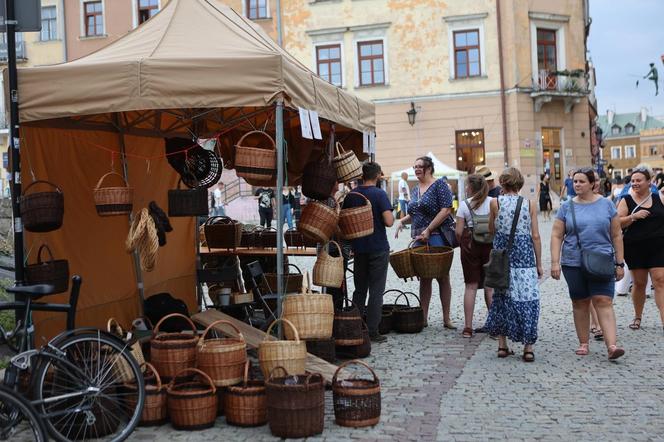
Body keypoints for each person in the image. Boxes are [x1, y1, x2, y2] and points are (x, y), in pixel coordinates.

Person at [551, 168, 626, 359]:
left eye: (581, 181)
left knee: (604, 301)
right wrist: (555, 262)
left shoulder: (607, 205)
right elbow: (557, 234)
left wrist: (619, 263)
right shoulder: (567, 207)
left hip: (602, 260)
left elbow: (616, 235)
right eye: (575, 181)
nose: (577, 185)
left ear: (593, 184)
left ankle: (612, 346)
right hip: (573, 262)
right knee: (580, 302)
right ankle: (583, 342)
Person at [485, 167, 542, 362]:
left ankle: (502, 346)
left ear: (502, 182)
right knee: (528, 299)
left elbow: (491, 230)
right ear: (520, 184)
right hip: (525, 258)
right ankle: (528, 348)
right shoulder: (529, 204)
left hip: (503, 258)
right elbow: (535, 235)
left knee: (501, 297)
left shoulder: (495, 202)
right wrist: (539, 264)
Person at [395, 156, 455, 328]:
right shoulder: (414, 189)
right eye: (414, 167)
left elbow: (446, 210)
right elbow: (415, 213)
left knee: (443, 277)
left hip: (437, 235)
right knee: (424, 277)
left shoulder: (440, 185)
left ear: (429, 168)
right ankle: (424, 317)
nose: (416, 169)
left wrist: (429, 229)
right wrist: (402, 221)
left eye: (419, 166)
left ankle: (446, 318)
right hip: (418, 238)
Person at [349, 162, 394, 343]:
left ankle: (356, 327)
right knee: (376, 290)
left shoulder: (352, 195)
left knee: (359, 290)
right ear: (377, 176)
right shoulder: (379, 194)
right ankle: (373, 331)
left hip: (359, 248)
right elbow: (389, 221)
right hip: (378, 247)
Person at [617, 165, 664, 332]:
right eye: (632, 181)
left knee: (660, 280)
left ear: (649, 182)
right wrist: (633, 216)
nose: (634, 183)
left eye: (638, 180)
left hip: (659, 247)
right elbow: (617, 222)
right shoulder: (626, 200)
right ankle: (638, 316)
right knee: (639, 283)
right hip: (635, 247)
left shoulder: (659, 198)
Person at [455, 174, 494, 338]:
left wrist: (465, 242)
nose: (465, 188)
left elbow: (458, 232)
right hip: (490, 246)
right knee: (490, 286)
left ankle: (468, 328)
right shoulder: (493, 202)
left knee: (470, 286)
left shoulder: (464, 205)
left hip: (471, 247)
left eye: (466, 186)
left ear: (471, 188)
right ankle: (494, 325)